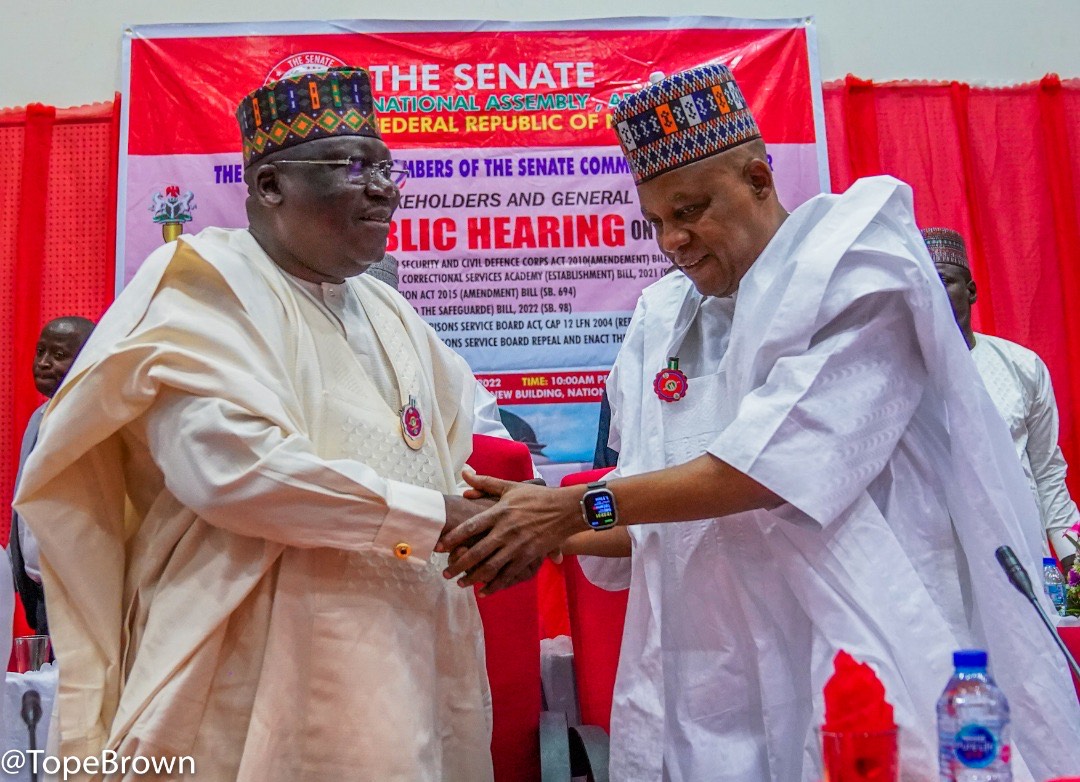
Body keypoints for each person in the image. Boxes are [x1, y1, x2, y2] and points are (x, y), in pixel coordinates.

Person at [441, 64, 1080, 780]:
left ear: (757, 177)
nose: (673, 240)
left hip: (859, 654)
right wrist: (528, 527)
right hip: (706, 678)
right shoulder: (659, 319)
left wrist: (568, 510)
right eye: (655, 222)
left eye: (690, 209)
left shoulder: (858, 272)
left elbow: (769, 469)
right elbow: (647, 510)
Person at [15, 67, 494, 780]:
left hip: (401, 655)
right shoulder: (201, 286)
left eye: (387, 168)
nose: (384, 188)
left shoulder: (388, 309)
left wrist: (508, 509)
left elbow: (466, 435)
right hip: (249, 665)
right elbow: (234, 471)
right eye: (354, 167)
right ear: (270, 186)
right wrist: (436, 518)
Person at [926, 226, 1080, 567]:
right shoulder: (899, 376)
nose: (933, 293)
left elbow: (1048, 475)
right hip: (941, 564)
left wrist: (1076, 564)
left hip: (1021, 556)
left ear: (971, 291)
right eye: (922, 283)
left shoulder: (1021, 366)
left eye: (943, 281)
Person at [8, 316, 94, 635]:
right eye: (40, 351)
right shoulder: (38, 418)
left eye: (58, 355)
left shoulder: (95, 422)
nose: (43, 363)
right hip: (39, 593)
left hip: (79, 593)